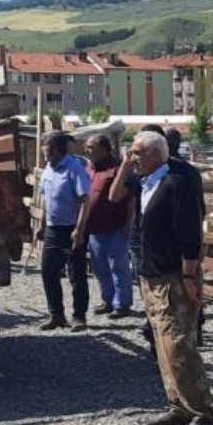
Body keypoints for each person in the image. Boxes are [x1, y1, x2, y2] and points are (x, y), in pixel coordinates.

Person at [128, 130, 213, 425]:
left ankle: (203, 412)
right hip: (151, 275)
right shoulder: (147, 183)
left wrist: (190, 276)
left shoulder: (175, 184)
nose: (132, 158)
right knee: (162, 344)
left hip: (173, 277)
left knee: (178, 344)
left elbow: (190, 235)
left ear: (155, 154)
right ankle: (179, 404)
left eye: (137, 153)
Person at [37, 131, 91, 331]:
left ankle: (79, 316)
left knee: (76, 274)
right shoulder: (48, 169)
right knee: (48, 272)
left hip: (72, 228)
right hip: (53, 229)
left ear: (57, 150)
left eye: (47, 147)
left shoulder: (74, 168)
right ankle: (56, 315)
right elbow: (46, 199)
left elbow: (85, 200)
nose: (43, 150)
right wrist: (42, 225)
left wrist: (79, 229)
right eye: (43, 146)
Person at [83, 134, 134, 319]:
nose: (87, 150)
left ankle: (122, 303)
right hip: (94, 228)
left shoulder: (118, 170)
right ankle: (108, 300)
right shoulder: (88, 168)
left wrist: (128, 223)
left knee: (118, 266)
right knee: (99, 267)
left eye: (91, 147)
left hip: (115, 226)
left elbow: (131, 199)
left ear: (104, 150)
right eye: (87, 147)